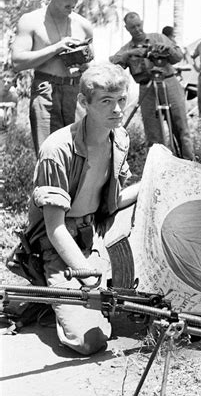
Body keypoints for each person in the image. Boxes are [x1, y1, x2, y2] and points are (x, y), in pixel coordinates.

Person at [18, 63, 140, 355]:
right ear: (84, 103)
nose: (117, 110)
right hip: (60, 243)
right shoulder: (57, 149)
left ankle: (90, 290)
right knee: (89, 341)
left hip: (96, 229)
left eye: (121, 100)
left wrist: (154, 183)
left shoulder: (119, 139)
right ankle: (51, 291)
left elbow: (113, 200)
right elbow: (54, 228)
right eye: (106, 102)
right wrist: (86, 272)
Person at [11, 0, 93, 157]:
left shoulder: (83, 25)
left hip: (76, 92)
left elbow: (89, 67)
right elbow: (17, 62)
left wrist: (82, 63)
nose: (72, 4)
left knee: (80, 155)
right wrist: (56, 48)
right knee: (50, 155)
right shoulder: (31, 21)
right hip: (45, 91)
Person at [110, 12, 194, 160]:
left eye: (138, 25)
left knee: (180, 125)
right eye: (132, 27)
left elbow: (178, 57)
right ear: (127, 28)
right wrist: (131, 53)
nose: (137, 29)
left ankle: (189, 162)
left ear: (142, 22)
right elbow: (113, 64)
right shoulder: (127, 47)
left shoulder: (158, 37)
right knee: (153, 132)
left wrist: (168, 50)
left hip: (168, 81)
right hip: (146, 88)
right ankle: (160, 166)